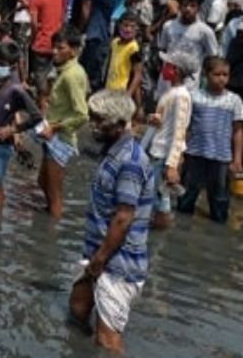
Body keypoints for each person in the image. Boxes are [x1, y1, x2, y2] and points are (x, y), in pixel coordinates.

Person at [69, 91, 153, 354]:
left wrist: (100, 260)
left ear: (117, 124)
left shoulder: (130, 161)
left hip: (117, 263)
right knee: (78, 308)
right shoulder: (113, 151)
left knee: (107, 341)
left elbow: (123, 218)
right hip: (98, 253)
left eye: (98, 121)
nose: (92, 126)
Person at [176, 56, 243, 223]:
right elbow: (186, 127)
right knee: (187, 195)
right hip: (195, 153)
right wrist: (180, 153)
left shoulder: (234, 101)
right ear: (205, 75)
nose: (222, 78)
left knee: (220, 199)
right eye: (217, 74)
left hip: (221, 157)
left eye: (225, 75)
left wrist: (237, 159)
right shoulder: (195, 97)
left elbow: (238, 132)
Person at [0, 42, 43, 208]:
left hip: (1, 144)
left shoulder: (17, 90)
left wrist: (13, 130)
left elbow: (37, 116)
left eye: (2, 64)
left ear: (13, 66)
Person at [37, 26, 90, 218]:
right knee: (43, 183)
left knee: (55, 194)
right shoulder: (65, 71)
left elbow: (82, 115)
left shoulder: (72, 75)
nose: (54, 52)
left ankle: (50, 235)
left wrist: (55, 127)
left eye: (60, 48)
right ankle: (48, 218)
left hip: (61, 138)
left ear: (74, 50)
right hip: (52, 135)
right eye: (54, 47)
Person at [144, 50, 195, 229]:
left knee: (159, 198)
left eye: (168, 65)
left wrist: (172, 164)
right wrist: (156, 119)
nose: (163, 68)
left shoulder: (181, 96)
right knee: (157, 197)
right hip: (157, 149)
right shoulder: (171, 92)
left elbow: (180, 130)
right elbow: (168, 122)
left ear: (177, 71)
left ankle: (159, 233)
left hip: (163, 155)